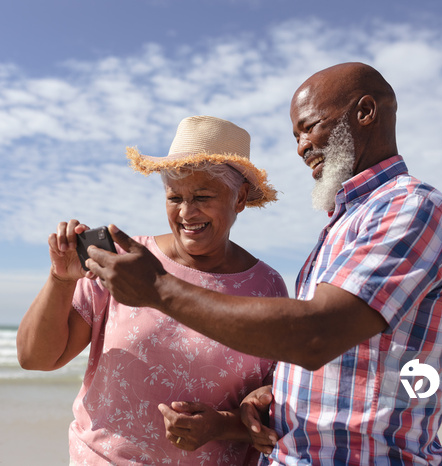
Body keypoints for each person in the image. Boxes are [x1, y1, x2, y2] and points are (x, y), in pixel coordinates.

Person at [86, 62, 442, 465]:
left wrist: (159, 289)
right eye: (295, 135)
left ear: (365, 112)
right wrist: (270, 397)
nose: (301, 147)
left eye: (310, 126)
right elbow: (343, 364)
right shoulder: (347, 222)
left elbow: (317, 335)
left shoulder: (410, 208)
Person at [16, 115, 289, 465]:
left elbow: (277, 401)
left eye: (203, 196)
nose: (187, 213)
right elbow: (35, 358)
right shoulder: (125, 262)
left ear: (240, 198)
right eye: (174, 197)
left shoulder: (266, 287)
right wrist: (61, 279)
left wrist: (221, 424)